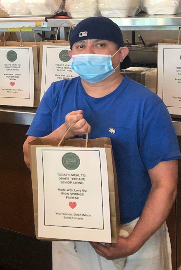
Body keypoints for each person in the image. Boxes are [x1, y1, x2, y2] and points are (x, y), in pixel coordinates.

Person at [23, 16, 180, 270]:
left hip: (132, 234)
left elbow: (165, 185)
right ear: (70, 54)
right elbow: (30, 157)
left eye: (100, 45)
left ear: (121, 54)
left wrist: (134, 242)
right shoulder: (57, 94)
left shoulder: (146, 105)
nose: (89, 52)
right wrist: (64, 131)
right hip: (72, 232)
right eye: (80, 46)